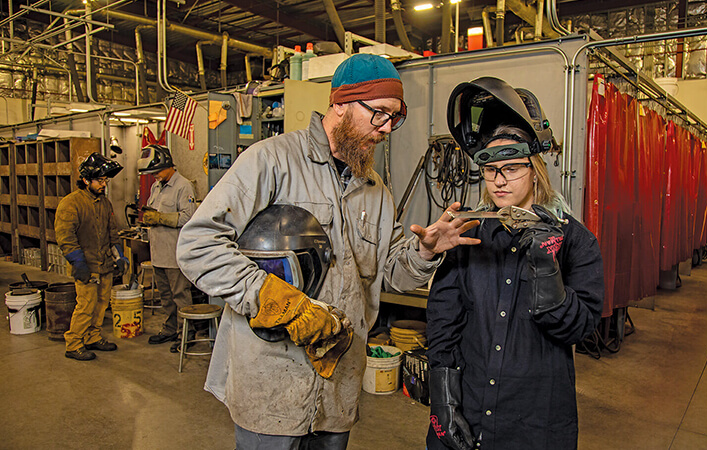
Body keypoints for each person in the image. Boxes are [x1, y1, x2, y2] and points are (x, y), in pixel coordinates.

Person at [176, 53, 480, 449]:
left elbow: (386, 275)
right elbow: (197, 244)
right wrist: (273, 298)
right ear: (340, 103)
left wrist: (423, 253)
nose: (387, 127)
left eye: (395, 117)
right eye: (379, 114)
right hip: (272, 380)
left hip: (338, 382)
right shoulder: (271, 161)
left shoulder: (377, 191)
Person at [426, 77, 604, 449]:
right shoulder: (469, 235)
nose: (499, 181)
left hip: (534, 420)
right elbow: (444, 322)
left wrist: (546, 270)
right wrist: (442, 398)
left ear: (535, 167)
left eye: (512, 168)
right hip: (469, 407)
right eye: (491, 170)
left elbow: (580, 329)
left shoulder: (575, 241)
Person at [55, 152, 129, 361]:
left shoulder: (104, 203)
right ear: (86, 180)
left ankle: (93, 337)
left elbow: (112, 233)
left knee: (101, 304)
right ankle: (74, 343)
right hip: (86, 265)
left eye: (105, 180)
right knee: (86, 306)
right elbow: (65, 236)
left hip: (104, 264)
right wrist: (78, 262)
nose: (103, 184)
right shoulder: (71, 203)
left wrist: (119, 256)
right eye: (99, 180)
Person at [136, 144, 198, 353]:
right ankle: (171, 328)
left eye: (157, 172)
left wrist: (160, 218)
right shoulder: (157, 186)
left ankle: (186, 334)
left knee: (180, 295)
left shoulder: (183, 186)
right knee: (165, 296)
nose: (155, 176)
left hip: (175, 253)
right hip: (158, 253)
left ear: (167, 165)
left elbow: (188, 218)